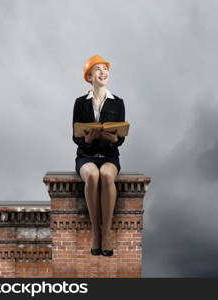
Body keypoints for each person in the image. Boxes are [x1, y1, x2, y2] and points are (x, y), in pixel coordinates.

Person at [72, 54, 126, 256]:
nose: (103, 72)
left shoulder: (118, 103)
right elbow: (75, 135)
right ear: (89, 76)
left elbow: (120, 138)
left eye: (105, 69)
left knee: (105, 175)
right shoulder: (80, 103)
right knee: (93, 175)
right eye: (98, 69)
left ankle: (107, 232)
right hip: (85, 155)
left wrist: (112, 139)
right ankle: (96, 231)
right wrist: (87, 138)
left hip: (109, 155)